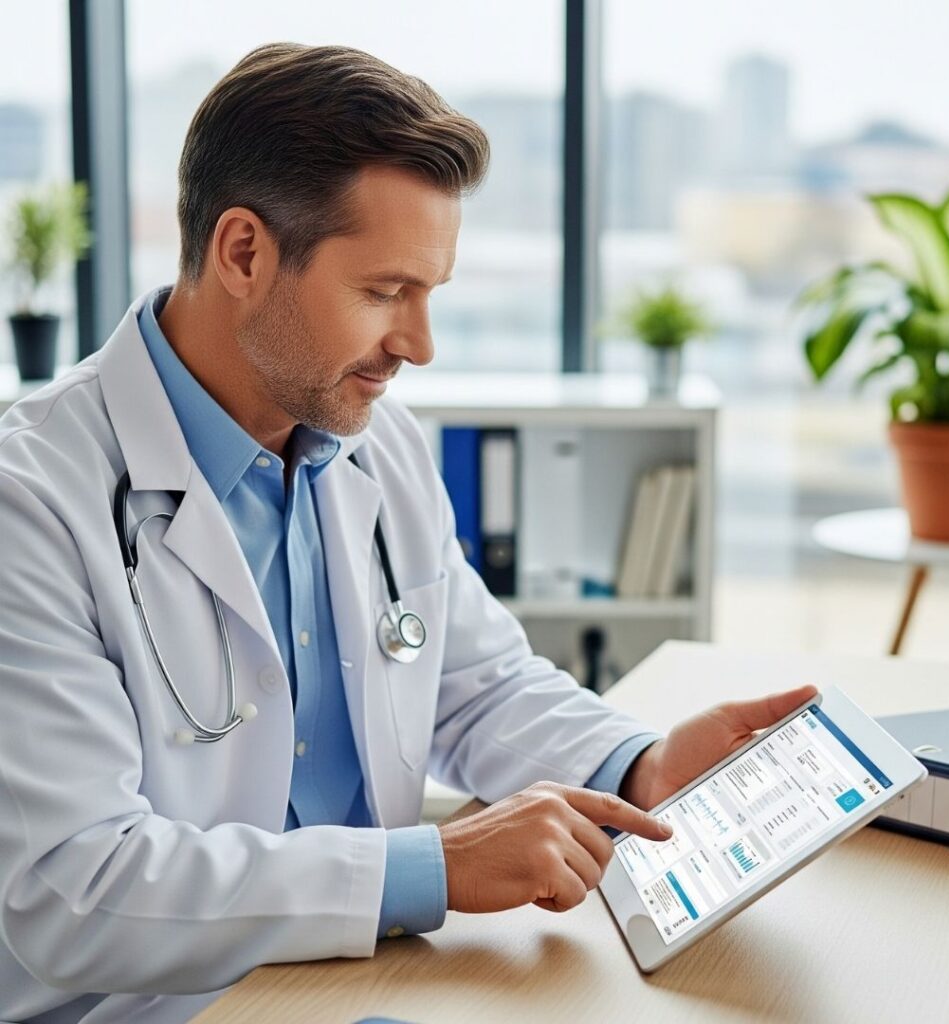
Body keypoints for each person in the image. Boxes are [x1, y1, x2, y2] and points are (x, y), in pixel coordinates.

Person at [0, 43, 815, 1023]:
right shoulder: (32, 498)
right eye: (386, 292)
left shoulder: (378, 447)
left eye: (430, 294)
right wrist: (431, 865)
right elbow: (68, 883)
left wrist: (640, 768)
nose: (418, 345)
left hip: (359, 986)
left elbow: (476, 688)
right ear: (244, 253)